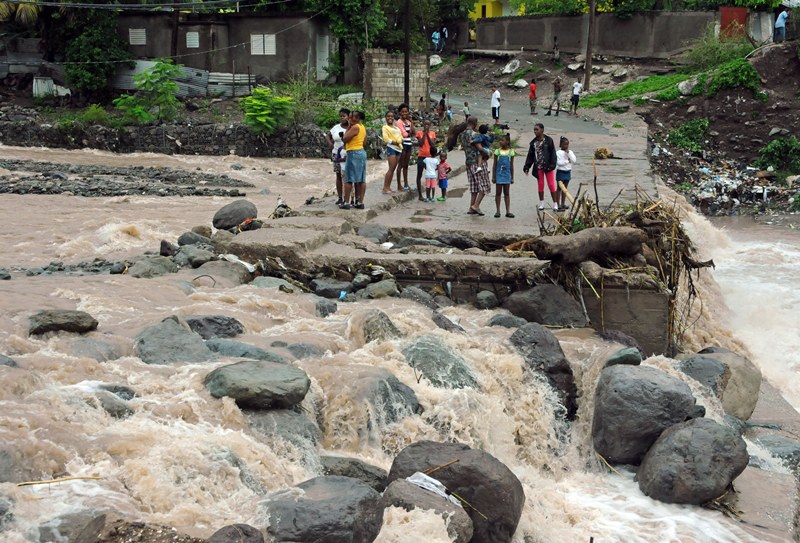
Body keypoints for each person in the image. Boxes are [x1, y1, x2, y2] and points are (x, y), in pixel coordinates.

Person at [522, 122, 559, 211]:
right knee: (540, 185)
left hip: (548, 166)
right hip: (538, 166)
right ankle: (541, 203)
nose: (535, 131)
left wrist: (553, 165)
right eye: (534, 130)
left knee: (551, 185)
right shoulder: (533, 143)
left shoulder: (549, 140)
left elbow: (553, 153)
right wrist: (527, 166)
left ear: (542, 130)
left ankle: (555, 203)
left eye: (537, 129)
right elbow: (530, 156)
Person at [460, 116, 490, 215]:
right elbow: (480, 148)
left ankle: (471, 207)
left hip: (468, 161)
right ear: (475, 123)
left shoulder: (463, 134)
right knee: (484, 185)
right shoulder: (475, 134)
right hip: (477, 163)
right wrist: (487, 153)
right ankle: (476, 205)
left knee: (474, 187)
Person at [341, 110, 367, 210]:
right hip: (361, 152)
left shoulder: (355, 127)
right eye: (350, 117)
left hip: (353, 153)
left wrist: (348, 127)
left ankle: (346, 202)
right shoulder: (362, 127)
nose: (351, 119)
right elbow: (364, 142)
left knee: (348, 179)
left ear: (358, 118)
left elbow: (345, 138)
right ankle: (360, 202)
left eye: (353, 118)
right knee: (361, 178)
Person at [325, 108, 349, 205]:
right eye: (341, 116)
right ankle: (340, 197)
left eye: (344, 116)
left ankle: (349, 197)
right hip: (336, 154)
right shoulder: (336, 127)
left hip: (348, 153)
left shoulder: (351, 128)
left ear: (348, 117)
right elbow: (327, 136)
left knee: (348, 176)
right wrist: (330, 144)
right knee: (338, 175)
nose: (342, 118)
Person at [492, 133, 515, 218]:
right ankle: (498, 211)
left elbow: (511, 165)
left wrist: (512, 177)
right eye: (500, 140)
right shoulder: (497, 151)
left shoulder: (511, 152)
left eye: (502, 140)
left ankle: (508, 211)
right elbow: (494, 165)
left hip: (507, 175)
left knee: (507, 193)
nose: (500, 142)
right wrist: (494, 177)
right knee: (498, 193)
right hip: (499, 174)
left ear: (507, 142)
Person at [381, 111, 403, 194]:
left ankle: (388, 187)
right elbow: (386, 139)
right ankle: (385, 188)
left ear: (394, 118)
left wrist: (400, 141)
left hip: (398, 149)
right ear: (386, 117)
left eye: (391, 116)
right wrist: (395, 142)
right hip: (391, 148)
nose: (390, 118)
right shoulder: (385, 127)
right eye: (388, 116)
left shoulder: (396, 128)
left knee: (393, 169)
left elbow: (400, 136)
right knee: (391, 168)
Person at [415, 120, 437, 200]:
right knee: (419, 175)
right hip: (421, 156)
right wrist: (424, 134)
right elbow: (420, 144)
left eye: (428, 124)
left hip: (429, 157)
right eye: (425, 124)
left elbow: (433, 145)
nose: (426, 126)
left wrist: (427, 135)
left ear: (430, 125)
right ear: (423, 125)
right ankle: (420, 195)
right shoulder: (419, 133)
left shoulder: (432, 134)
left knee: (430, 176)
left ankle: (429, 195)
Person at [396, 104, 415, 191]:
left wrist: (411, 122)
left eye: (406, 112)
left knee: (406, 165)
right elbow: (405, 134)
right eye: (403, 112)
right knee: (400, 165)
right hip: (403, 145)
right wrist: (410, 132)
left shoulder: (408, 122)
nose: (404, 113)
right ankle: (399, 185)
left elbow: (413, 132)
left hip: (409, 144)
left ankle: (406, 184)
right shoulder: (399, 122)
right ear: (400, 112)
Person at [556, 136, 577, 210]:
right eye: (564, 144)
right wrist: (567, 161)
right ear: (561, 144)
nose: (566, 146)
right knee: (559, 189)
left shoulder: (570, 152)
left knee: (565, 189)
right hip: (561, 172)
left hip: (568, 171)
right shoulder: (558, 153)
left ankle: (563, 203)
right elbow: (559, 163)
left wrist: (569, 154)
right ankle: (557, 204)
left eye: (567, 144)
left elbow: (574, 160)